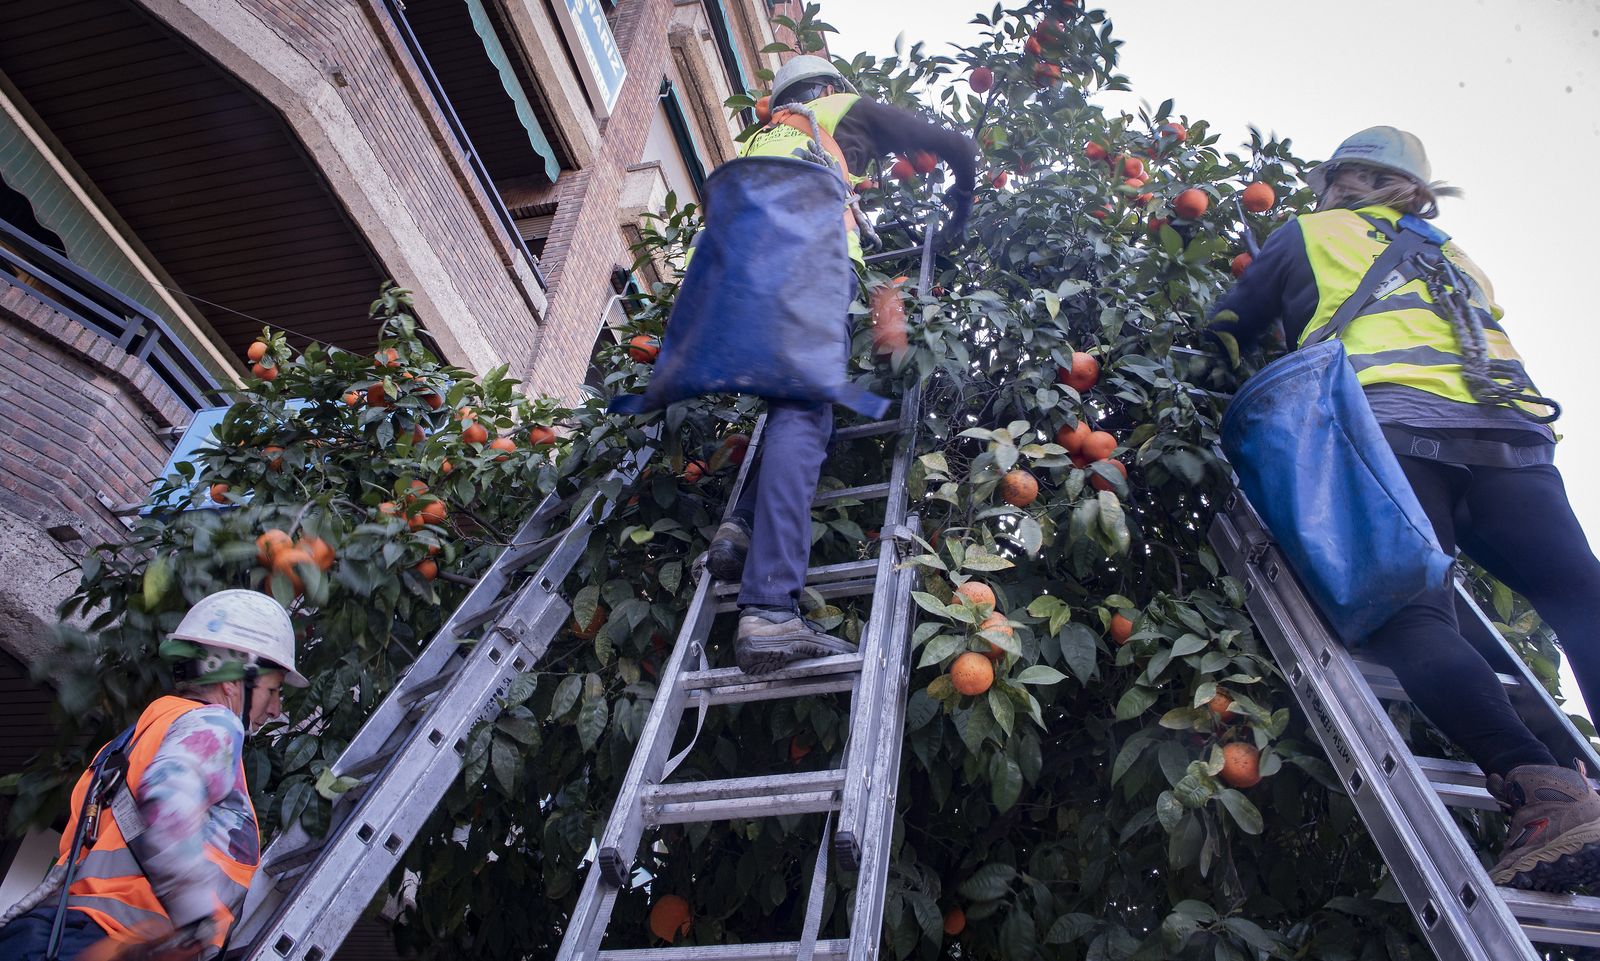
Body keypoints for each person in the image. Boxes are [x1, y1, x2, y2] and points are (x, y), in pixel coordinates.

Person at [1211, 125, 1600, 889]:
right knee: (1580, 600)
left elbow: (1225, 328)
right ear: (1413, 192)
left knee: (1410, 617)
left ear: (1336, 185)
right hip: (1515, 444)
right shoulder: (1458, 257)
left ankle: (1542, 787)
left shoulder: (1309, 234)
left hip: (1393, 434)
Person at [697, 55, 976, 675]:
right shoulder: (834, 109)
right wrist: (960, 201)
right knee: (806, 415)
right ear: (825, 90)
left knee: (790, 402)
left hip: (741, 280)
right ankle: (770, 609)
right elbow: (951, 143)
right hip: (806, 262)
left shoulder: (766, 138)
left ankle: (740, 530)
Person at [0, 590, 306, 960]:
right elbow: (168, 807)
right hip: (107, 943)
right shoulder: (216, 724)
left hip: (56, 934)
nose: (275, 709)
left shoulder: (136, 738)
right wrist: (195, 924)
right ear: (235, 680)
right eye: (272, 690)